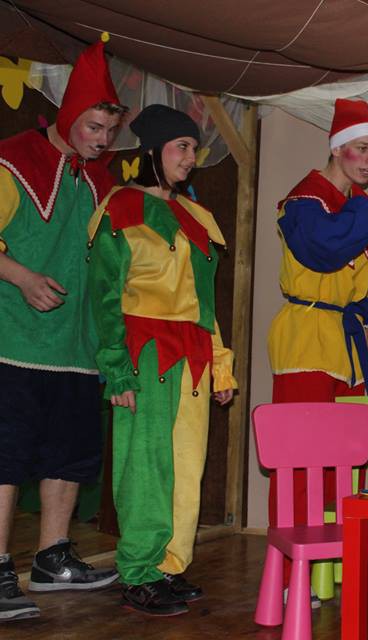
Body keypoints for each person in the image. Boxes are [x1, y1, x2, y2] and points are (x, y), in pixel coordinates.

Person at [265, 98, 368, 595]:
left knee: (343, 462)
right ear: (336, 148)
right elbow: (323, 250)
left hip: (342, 342)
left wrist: (367, 317)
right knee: (299, 464)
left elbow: (351, 279)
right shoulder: (305, 200)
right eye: (362, 148)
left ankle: (336, 560)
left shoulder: (354, 204)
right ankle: (290, 576)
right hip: (305, 340)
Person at [87, 104, 237, 616]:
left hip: (193, 356)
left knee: (186, 466)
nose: (191, 158)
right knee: (145, 466)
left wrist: (220, 365)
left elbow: (205, 304)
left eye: (194, 149)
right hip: (145, 353)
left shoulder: (196, 218)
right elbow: (105, 296)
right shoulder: (120, 208)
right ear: (152, 150)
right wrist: (116, 369)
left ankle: (169, 564)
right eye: (182, 147)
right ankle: (139, 570)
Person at [0, 34, 123, 622]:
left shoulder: (100, 180)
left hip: (77, 348)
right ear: (69, 115)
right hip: (14, 342)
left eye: (110, 131)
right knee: (5, 456)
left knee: (69, 457)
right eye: (94, 127)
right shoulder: (12, 160)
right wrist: (21, 276)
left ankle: (53, 558)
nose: (102, 140)